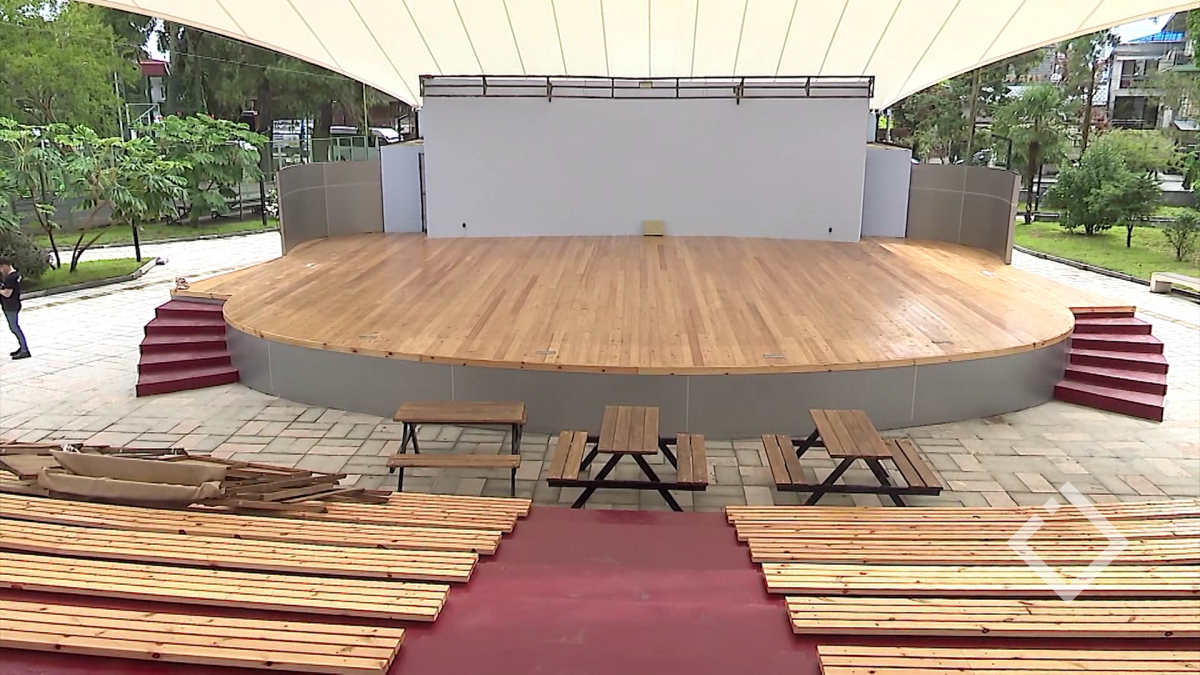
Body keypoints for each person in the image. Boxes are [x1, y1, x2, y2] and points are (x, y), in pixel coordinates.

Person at [0, 257, 29, 360]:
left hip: (10, 306)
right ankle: (22, 347)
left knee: (14, 328)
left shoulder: (10, 278)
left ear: (5, 265)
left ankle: (24, 350)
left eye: (1, 268)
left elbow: (7, 293)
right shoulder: (16, 275)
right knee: (14, 327)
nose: (1, 271)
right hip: (13, 304)